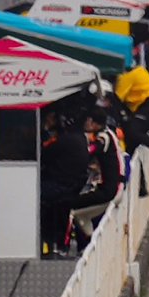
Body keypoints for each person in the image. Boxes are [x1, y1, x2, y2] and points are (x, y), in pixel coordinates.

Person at [71, 106, 125, 251]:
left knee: (69, 206)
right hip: (115, 187)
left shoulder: (103, 138)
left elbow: (89, 152)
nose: (85, 123)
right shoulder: (110, 134)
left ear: (93, 122)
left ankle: (67, 248)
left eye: (88, 120)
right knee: (81, 216)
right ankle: (92, 246)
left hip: (109, 190)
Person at [40, 106, 90, 257]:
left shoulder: (64, 141)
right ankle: (54, 243)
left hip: (60, 186)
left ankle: (47, 241)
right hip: (71, 185)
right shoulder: (80, 138)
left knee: (35, 198)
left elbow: (43, 154)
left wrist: (45, 130)